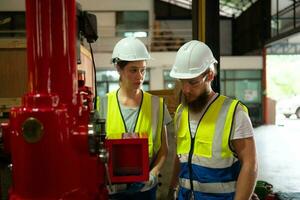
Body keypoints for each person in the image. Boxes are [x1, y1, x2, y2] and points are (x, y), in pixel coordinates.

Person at [168, 40, 258, 200]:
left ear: (209, 75)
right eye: (182, 81)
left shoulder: (234, 112)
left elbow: (250, 164)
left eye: (193, 82)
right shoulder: (181, 112)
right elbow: (179, 155)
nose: (186, 89)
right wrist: (172, 187)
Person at [96, 37, 172, 200]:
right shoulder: (101, 105)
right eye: (133, 70)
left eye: (143, 70)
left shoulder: (156, 105)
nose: (140, 76)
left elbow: (164, 150)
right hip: (113, 193)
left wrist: (152, 174)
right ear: (118, 68)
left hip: (146, 192)